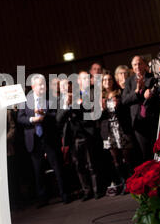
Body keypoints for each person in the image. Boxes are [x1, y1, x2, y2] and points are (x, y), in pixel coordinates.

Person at [17, 75, 70, 208]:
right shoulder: (25, 100)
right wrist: (32, 120)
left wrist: (44, 116)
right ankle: (43, 198)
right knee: (38, 170)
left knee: (57, 167)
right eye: (39, 85)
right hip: (33, 139)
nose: (42, 87)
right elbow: (20, 118)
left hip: (49, 137)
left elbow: (55, 116)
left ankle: (65, 194)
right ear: (33, 86)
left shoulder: (50, 99)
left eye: (43, 85)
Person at [56, 71, 104, 200]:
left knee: (92, 164)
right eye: (62, 87)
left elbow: (88, 113)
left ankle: (97, 190)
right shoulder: (60, 102)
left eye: (67, 86)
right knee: (79, 165)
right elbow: (59, 120)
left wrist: (76, 104)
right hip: (72, 138)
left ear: (72, 86)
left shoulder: (81, 96)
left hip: (86, 134)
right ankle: (86, 190)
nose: (65, 88)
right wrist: (67, 106)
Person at [100, 73, 133, 196]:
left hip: (121, 128)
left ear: (112, 81)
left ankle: (132, 182)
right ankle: (124, 183)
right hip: (108, 131)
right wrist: (101, 109)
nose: (107, 81)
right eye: (105, 80)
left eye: (109, 79)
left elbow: (126, 109)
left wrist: (118, 105)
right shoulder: (100, 96)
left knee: (127, 157)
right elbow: (95, 117)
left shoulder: (120, 92)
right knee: (116, 159)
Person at [122, 56, 159, 163]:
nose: (137, 66)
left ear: (145, 65)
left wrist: (151, 94)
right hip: (138, 123)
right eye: (135, 64)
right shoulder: (129, 81)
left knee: (158, 150)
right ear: (132, 67)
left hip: (153, 119)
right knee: (146, 153)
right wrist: (137, 93)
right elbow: (124, 100)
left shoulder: (152, 78)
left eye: (140, 63)